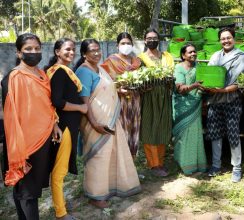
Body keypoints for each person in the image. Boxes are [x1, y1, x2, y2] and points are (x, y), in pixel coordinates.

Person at [1, 33, 62, 220]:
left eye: (37, 48)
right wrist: (18, 148)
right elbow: (11, 117)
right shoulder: (14, 77)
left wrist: (54, 125)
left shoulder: (42, 74)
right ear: (19, 53)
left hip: (43, 138)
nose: (33, 52)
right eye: (28, 49)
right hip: (25, 143)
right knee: (28, 191)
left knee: (28, 189)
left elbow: (46, 105)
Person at [74, 39, 141, 209]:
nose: (96, 53)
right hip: (95, 122)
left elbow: (106, 88)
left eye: (98, 50)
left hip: (110, 118)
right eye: (92, 51)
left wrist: (118, 91)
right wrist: (94, 123)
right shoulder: (83, 72)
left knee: (111, 153)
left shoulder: (101, 69)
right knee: (98, 156)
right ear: (84, 54)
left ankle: (112, 187)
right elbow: (85, 101)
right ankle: (95, 195)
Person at [44, 38, 87, 220]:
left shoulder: (61, 71)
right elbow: (58, 102)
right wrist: (80, 107)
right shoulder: (60, 72)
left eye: (73, 49)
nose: (71, 52)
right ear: (57, 52)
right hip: (65, 126)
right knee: (59, 171)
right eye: (67, 49)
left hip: (68, 125)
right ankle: (61, 213)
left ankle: (60, 205)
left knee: (59, 169)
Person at [203, 27, 244, 183]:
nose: (226, 41)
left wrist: (222, 90)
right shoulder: (215, 56)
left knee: (233, 134)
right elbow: (208, 75)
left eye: (228, 38)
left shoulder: (242, 57)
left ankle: (236, 168)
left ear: (234, 39)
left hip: (232, 100)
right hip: (214, 101)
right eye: (223, 38)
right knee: (215, 133)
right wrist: (206, 85)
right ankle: (216, 165)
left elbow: (241, 83)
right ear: (220, 41)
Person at [138, 29, 174, 177]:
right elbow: (138, 78)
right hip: (148, 97)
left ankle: (160, 161)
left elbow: (171, 73)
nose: (152, 40)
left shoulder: (167, 56)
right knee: (149, 128)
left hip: (164, 95)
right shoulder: (140, 58)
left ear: (159, 40)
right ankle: (153, 164)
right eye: (149, 38)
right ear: (145, 41)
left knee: (162, 127)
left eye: (155, 38)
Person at [101, 32, 142, 157]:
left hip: (135, 100)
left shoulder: (137, 62)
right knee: (121, 130)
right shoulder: (110, 61)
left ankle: (131, 164)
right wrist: (117, 89)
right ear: (117, 45)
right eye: (123, 43)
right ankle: (119, 164)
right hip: (118, 101)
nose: (126, 45)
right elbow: (104, 83)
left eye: (128, 43)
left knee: (134, 129)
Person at [172, 44, 207, 175]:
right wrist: (195, 85)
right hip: (183, 106)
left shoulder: (199, 67)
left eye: (194, 52)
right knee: (184, 135)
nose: (193, 54)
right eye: (190, 52)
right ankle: (184, 165)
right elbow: (180, 89)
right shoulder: (179, 68)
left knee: (195, 134)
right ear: (183, 55)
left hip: (196, 105)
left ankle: (196, 164)